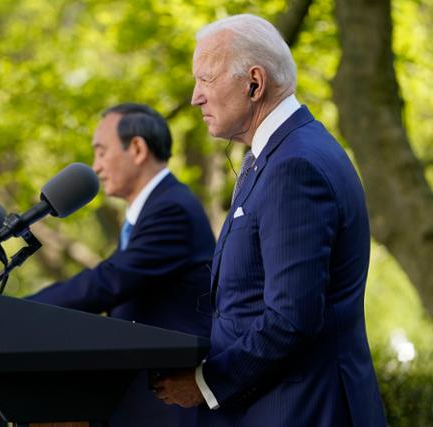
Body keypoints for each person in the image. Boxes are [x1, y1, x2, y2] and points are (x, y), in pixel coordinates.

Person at [153, 14, 387, 426]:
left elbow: (291, 318)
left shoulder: (294, 165)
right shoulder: (278, 155)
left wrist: (206, 383)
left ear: (254, 83)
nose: (195, 97)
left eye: (205, 79)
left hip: (300, 410)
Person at [27, 103, 215, 426]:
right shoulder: (150, 211)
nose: (96, 167)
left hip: (172, 407)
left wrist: (24, 311)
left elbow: (110, 281)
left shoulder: (173, 210)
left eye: (101, 152)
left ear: (138, 148)